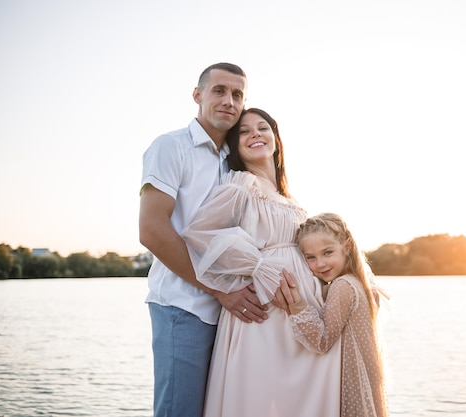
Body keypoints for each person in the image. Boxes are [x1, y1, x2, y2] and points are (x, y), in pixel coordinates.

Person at [182, 108, 341, 417]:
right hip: (264, 313)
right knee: (261, 395)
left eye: (262, 127)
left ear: (276, 139)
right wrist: (259, 266)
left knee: (303, 398)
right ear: (236, 146)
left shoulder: (290, 199)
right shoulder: (241, 184)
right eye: (244, 131)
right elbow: (199, 234)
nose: (255, 133)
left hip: (302, 313)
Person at [139, 63, 268, 417]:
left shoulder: (235, 161)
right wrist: (219, 289)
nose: (229, 100)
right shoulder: (170, 147)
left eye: (238, 95)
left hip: (229, 316)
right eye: (219, 91)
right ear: (198, 96)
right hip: (183, 307)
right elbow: (151, 230)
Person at [279, 212, 389, 417]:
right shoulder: (359, 283)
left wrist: (297, 304)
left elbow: (323, 340)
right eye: (310, 258)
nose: (320, 264)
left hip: (351, 386)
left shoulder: (343, 285)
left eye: (327, 253)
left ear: (346, 247)